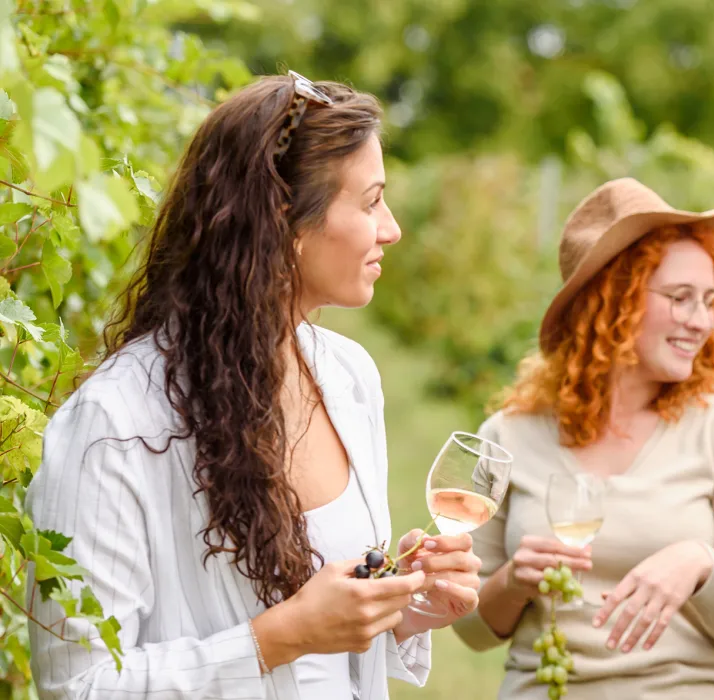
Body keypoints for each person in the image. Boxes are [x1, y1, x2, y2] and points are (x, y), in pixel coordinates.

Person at [24, 71, 483, 700]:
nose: (392, 228)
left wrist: (405, 600)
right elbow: (78, 684)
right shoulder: (117, 424)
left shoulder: (349, 378)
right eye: (371, 202)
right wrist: (275, 639)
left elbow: (332, 651)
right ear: (284, 224)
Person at [451, 178, 714, 699]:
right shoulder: (507, 436)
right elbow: (471, 629)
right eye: (680, 298)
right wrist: (515, 579)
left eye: (711, 301)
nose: (700, 322)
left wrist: (700, 563)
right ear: (612, 302)